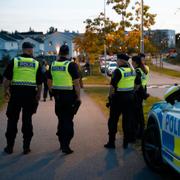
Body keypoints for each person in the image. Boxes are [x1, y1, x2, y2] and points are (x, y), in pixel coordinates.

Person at [3, 42, 42, 154]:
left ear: (22, 49)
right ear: (30, 50)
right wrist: (38, 95)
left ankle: (9, 147)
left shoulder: (14, 61)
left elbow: (6, 80)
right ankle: (26, 147)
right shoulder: (35, 63)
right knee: (27, 120)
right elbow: (39, 84)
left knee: (12, 120)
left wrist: (5, 91)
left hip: (15, 95)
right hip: (29, 96)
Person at [47, 44, 81, 154]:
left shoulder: (53, 65)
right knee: (68, 120)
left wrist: (52, 92)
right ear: (68, 53)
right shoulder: (71, 65)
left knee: (61, 119)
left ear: (59, 53)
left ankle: (61, 142)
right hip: (69, 97)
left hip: (58, 97)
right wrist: (78, 97)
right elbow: (76, 83)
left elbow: (49, 81)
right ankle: (66, 145)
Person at [104, 53, 136, 149]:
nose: (116, 61)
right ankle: (125, 142)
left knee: (113, 121)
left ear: (121, 61)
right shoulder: (133, 71)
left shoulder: (118, 71)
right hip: (130, 99)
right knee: (127, 121)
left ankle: (111, 142)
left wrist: (109, 98)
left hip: (118, 100)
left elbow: (112, 87)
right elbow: (137, 84)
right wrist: (131, 92)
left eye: (117, 60)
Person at [132, 56, 146, 139]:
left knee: (137, 114)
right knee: (140, 113)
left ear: (136, 63)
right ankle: (141, 131)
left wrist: (133, 91)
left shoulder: (137, 70)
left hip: (138, 93)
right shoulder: (142, 69)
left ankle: (139, 133)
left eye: (133, 62)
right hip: (142, 92)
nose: (132, 64)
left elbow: (137, 84)